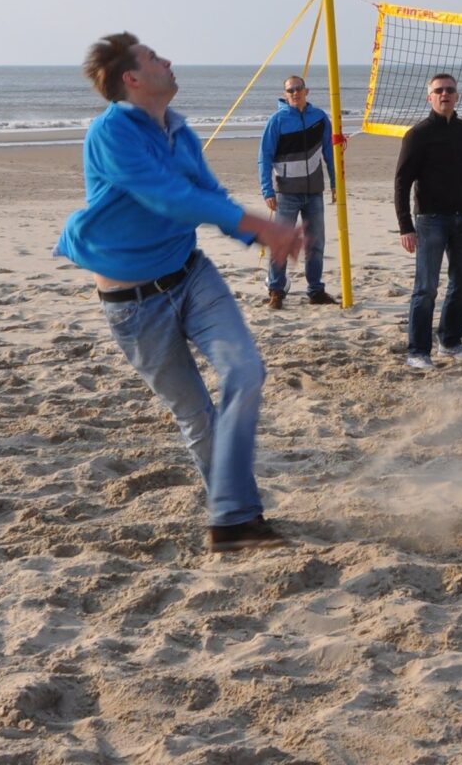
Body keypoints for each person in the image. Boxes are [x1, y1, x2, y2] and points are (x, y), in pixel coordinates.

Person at [55, 34, 304, 554]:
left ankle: (235, 516)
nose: (167, 61)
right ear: (133, 78)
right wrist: (257, 225)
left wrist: (262, 234)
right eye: (153, 57)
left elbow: (206, 194)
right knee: (197, 415)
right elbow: (168, 198)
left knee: (246, 370)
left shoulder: (179, 129)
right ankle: (236, 522)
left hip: (191, 275)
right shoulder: (111, 133)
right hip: (133, 304)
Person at [392, 73, 462, 369]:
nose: (444, 94)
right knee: (426, 289)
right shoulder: (418, 134)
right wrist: (405, 226)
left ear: (457, 96)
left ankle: (449, 340)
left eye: (449, 90)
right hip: (429, 220)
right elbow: (401, 183)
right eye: (438, 91)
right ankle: (417, 352)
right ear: (430, 97)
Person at [257, 75, 338, 310]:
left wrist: (335, 183)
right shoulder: (277, 121)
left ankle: (316, 291)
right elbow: (264, 157)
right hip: (286, 193)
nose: (295, 93)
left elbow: (330, 153)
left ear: (306, 91)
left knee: (316, 243)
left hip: (314, 192)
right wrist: (267, 190)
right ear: (285, 94)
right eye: (290, 90)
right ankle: (276, 290)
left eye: (298, 89)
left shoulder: (320, 118)